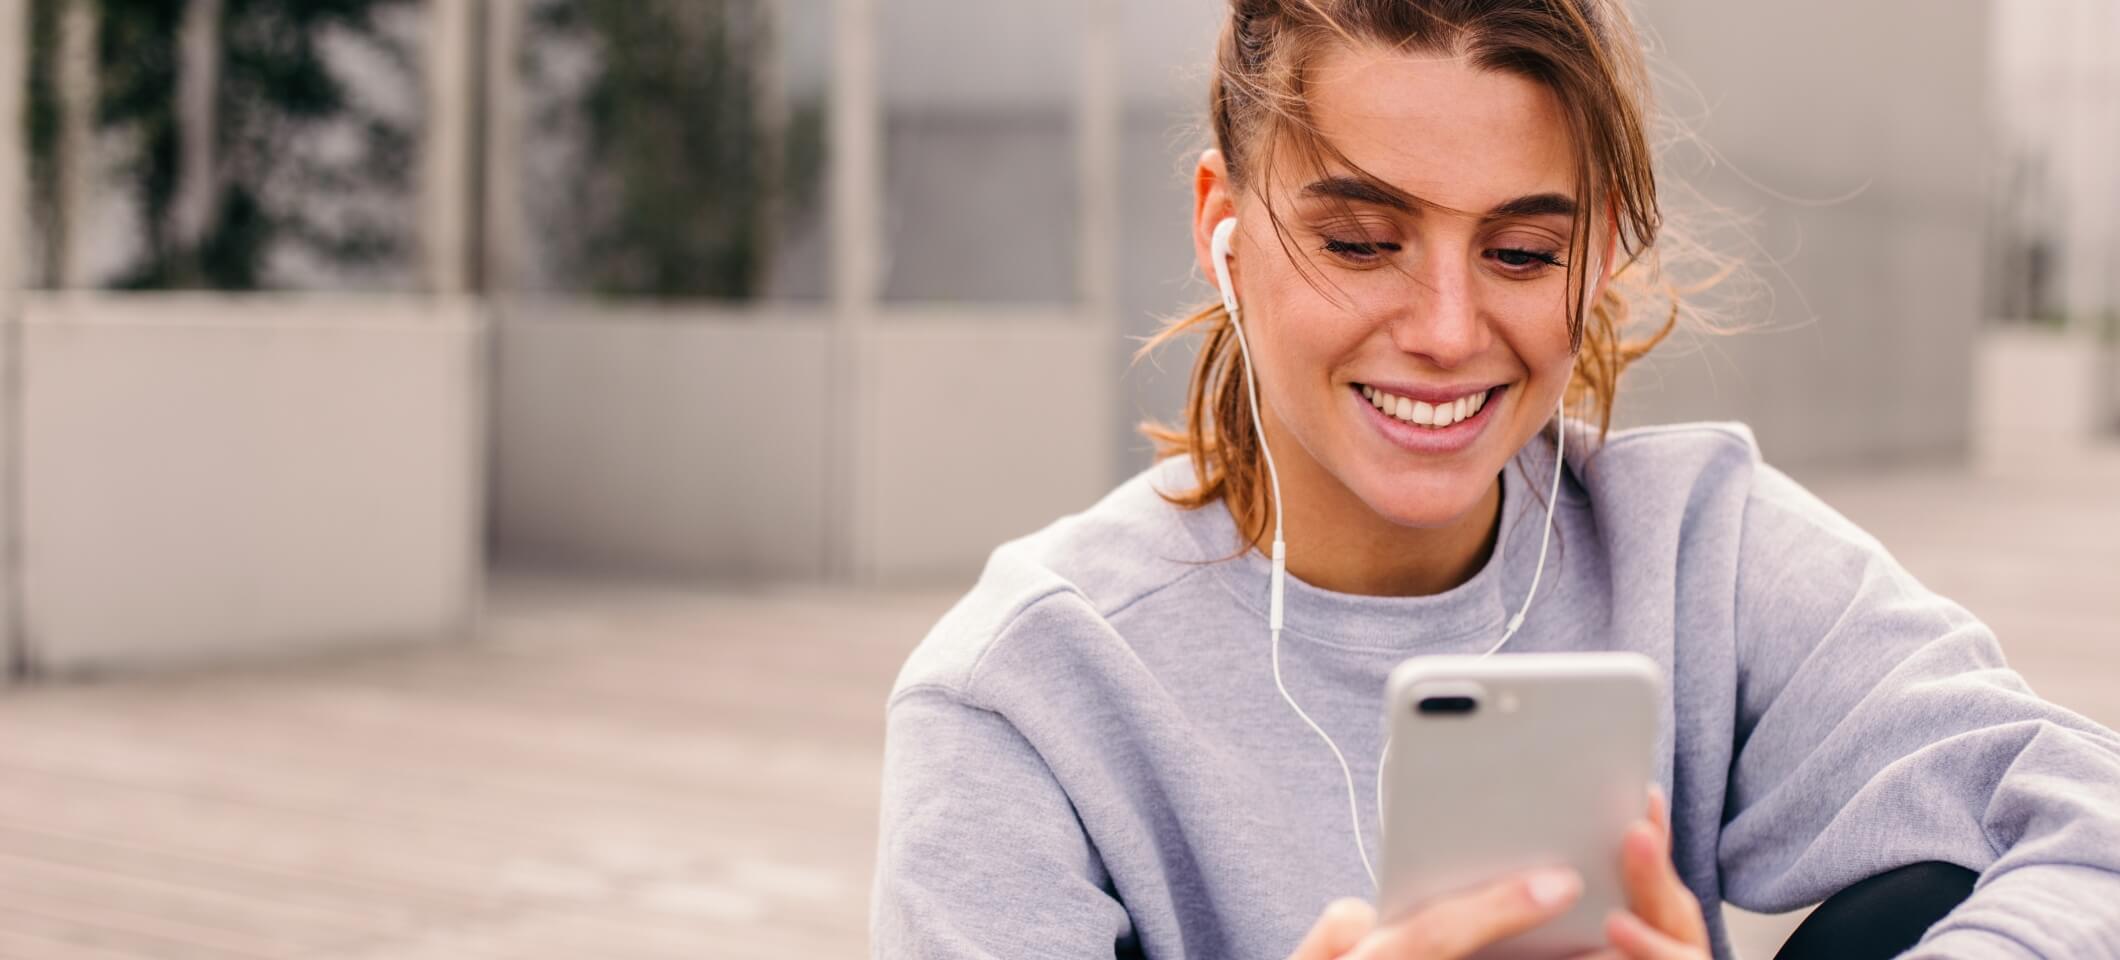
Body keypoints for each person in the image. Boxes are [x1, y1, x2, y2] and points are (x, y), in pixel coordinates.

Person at [869, 1, 2120, 958]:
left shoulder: (1695, 554)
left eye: (1522, 252)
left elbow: (2084, 827)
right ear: (1221, 228)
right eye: (1360, 243)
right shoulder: (1022, 697)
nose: (1448, 329)